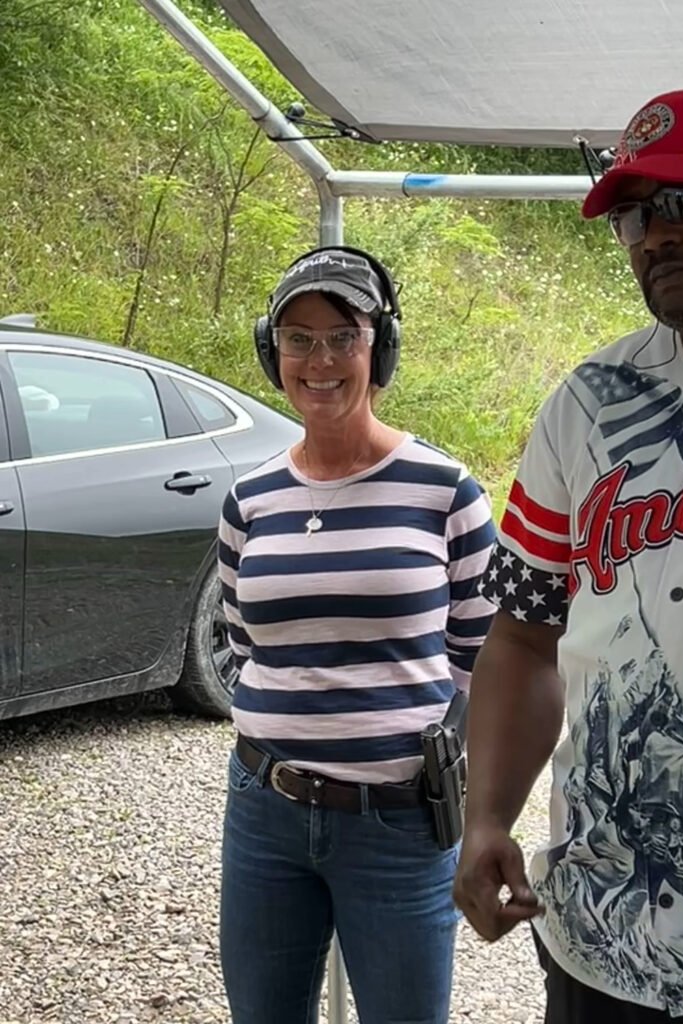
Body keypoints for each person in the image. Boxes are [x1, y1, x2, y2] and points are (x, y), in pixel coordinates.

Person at [453, 85, 683, 1021]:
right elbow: (522, 635)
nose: (656, 235)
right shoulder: (588, 403)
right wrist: (486, 816)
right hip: (605, 936)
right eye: (634, 216)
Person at [217, 245, 496, 1024]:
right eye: (298, 339)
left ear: (382, 348)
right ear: (272, 352)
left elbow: (484, 658)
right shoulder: (250, 500)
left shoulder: (446, 491)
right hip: (265, 812)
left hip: (400, 823)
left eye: (344, 336)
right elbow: (246, 648)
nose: (321, 360)